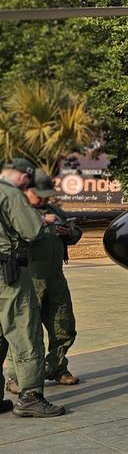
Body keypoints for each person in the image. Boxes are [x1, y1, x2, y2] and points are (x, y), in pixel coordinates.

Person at [4, 170, 82, 392]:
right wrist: (41, 224)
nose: (45, 199)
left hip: (55, 277)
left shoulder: (54, 210)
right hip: (28, 279)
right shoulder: (15, 212)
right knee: (24, 332)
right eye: (40, 195)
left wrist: (69, 232)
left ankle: (56, 368)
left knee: (64, 325)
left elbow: (76, 233)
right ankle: (16, 377)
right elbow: (19, 237)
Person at [0, 158, 64, 417]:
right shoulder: (10, 193)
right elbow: (31, 231)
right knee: (25, 331)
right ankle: (30, 397)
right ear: (23, 176)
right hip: (9, 272)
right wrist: (45, 220)